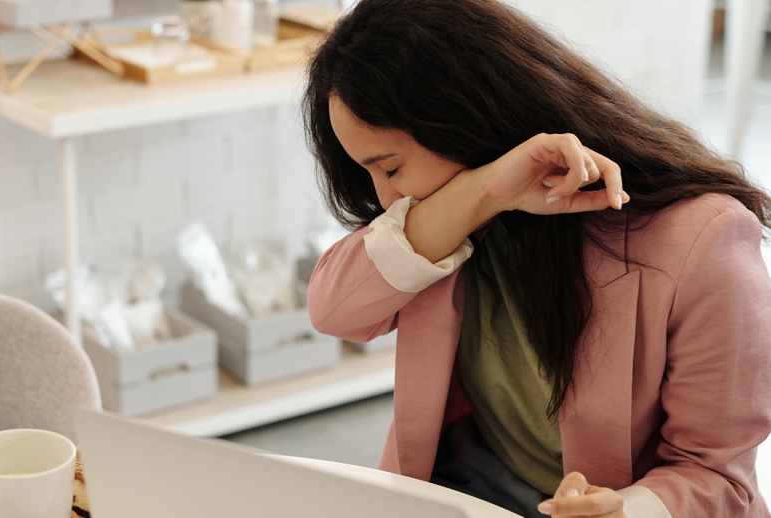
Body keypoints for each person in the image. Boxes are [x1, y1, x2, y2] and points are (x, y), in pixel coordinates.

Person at [303, 0, 771, 517]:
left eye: (389, 168)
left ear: (462, 119)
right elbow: (334, 311)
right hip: (461, 483)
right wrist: (482, 192)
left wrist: (625, 508)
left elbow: (718, 475)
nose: (387, 201)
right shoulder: (446, 221)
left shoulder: (703, 237)